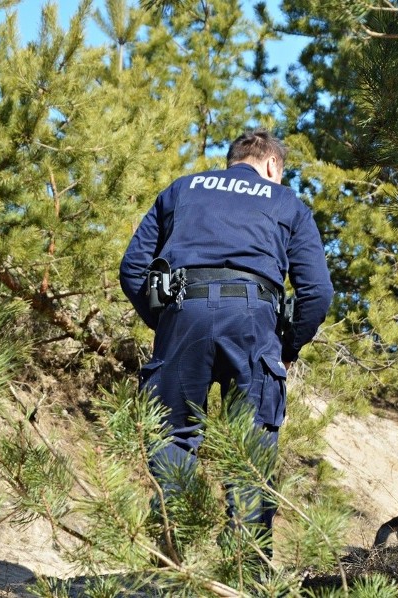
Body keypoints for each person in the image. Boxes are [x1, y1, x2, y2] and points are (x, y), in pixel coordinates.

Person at [119, 129, 334, 555]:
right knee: (251, 447)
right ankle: (245, 566)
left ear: (233, 160)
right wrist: (286, 349)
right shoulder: (286, 201)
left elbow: (132, 270)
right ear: (273, 165)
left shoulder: (182, 189)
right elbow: (317, 292)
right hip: (253, 322)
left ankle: (169, 558)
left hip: (183, 313)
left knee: (173, 438)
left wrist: (165, 328)